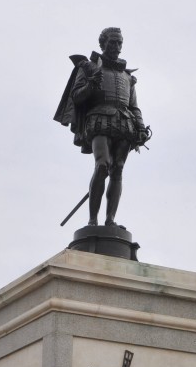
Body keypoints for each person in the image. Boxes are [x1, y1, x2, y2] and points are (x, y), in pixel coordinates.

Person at [55, 28, 151, 226]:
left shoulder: (127, 77)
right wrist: (91, 84)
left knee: (118, 169)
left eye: (120, 43)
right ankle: (92, 220)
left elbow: (133, 106)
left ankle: (110, 220)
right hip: (98, 119)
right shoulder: (89, 67)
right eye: (113, 42)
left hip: (125, 123)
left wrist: (141, 127)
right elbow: (77, 97)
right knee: (102, 166)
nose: (117, 46)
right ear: (103, 43)